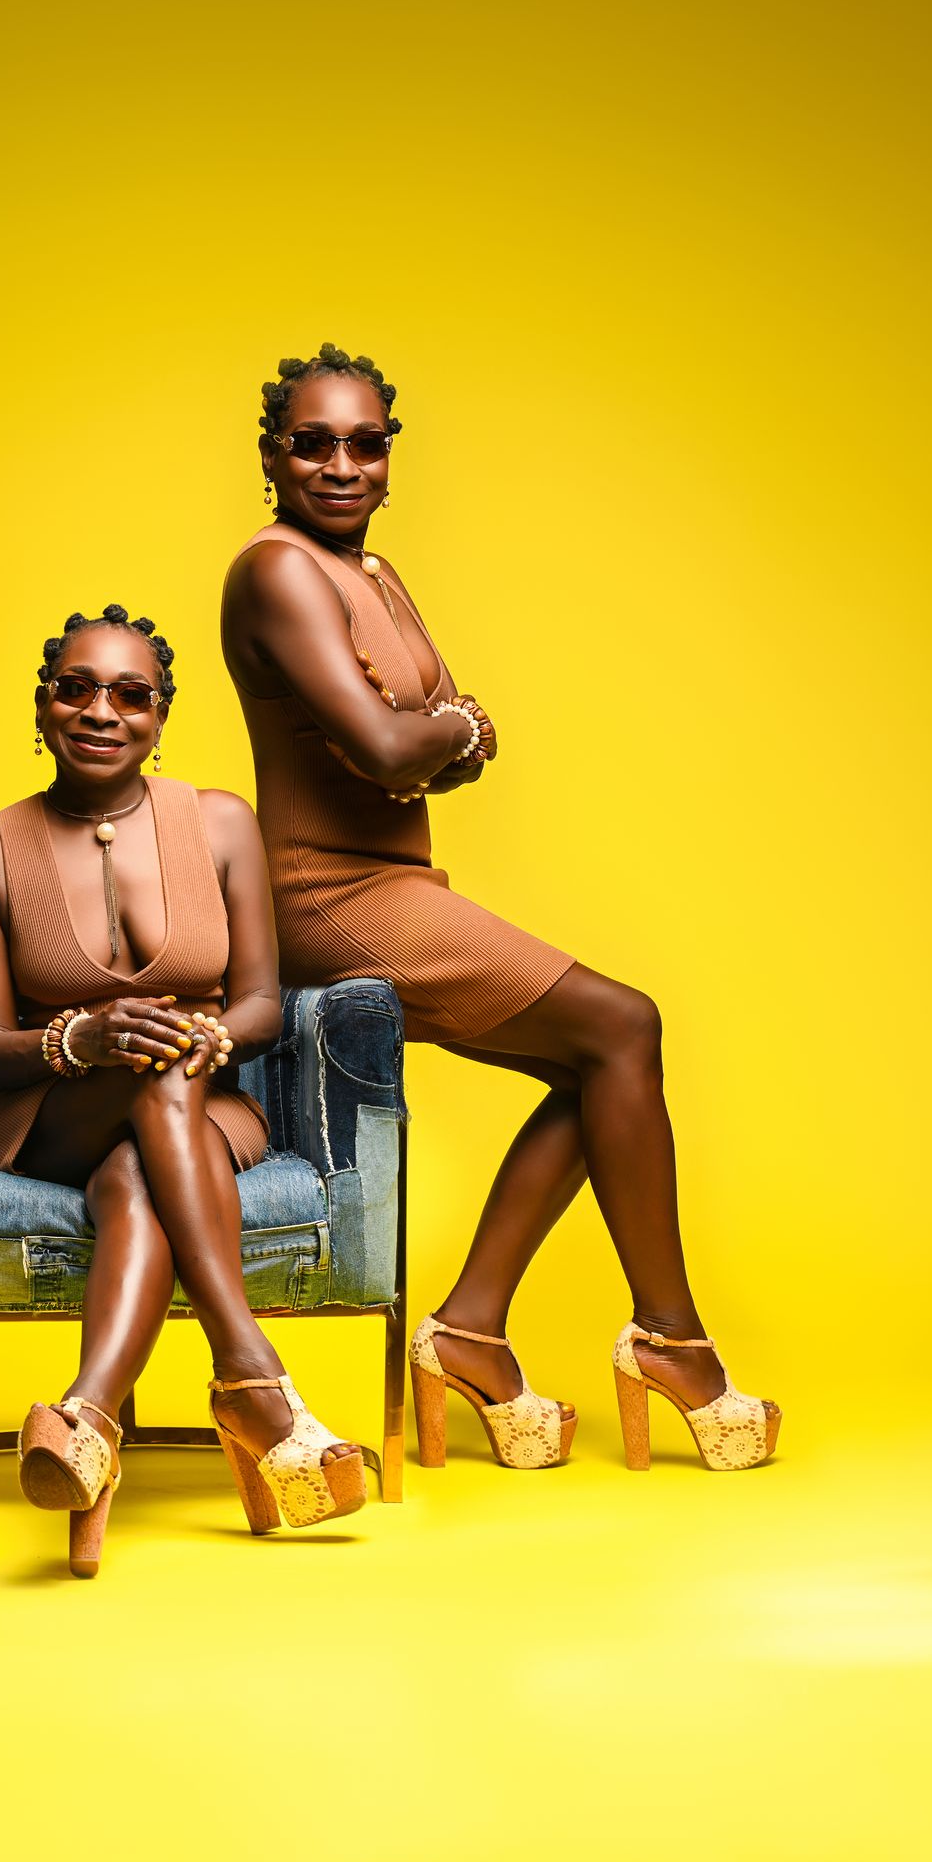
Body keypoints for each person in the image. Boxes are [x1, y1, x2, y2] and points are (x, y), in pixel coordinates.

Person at [220, 345, 779, 1473]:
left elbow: (435, 744)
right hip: (325, 892)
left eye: (365, 443)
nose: (341, 465)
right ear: (271, 455)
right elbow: (399, 746)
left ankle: (471, 1329)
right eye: (313, 443)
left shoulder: (376, 574)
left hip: (396, 880)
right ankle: (672, 1341)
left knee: (603, 1065)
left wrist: (437, 737)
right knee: (622, 1025)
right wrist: (447, 729)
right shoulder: (275, 571)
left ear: (391, 456)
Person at [0, 605, 365, 1574]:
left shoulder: (219, 822)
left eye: (132, 694)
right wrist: (82, 1038)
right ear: (43, 705)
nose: (102, 711)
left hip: (202, 1105)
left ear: (161, 715)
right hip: (49, 1115)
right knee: (152, 1063)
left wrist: (207, 1034)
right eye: (77, 688)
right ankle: (252, 1377)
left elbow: (260, 1002)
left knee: (141, 1156)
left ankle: (86, 1422)